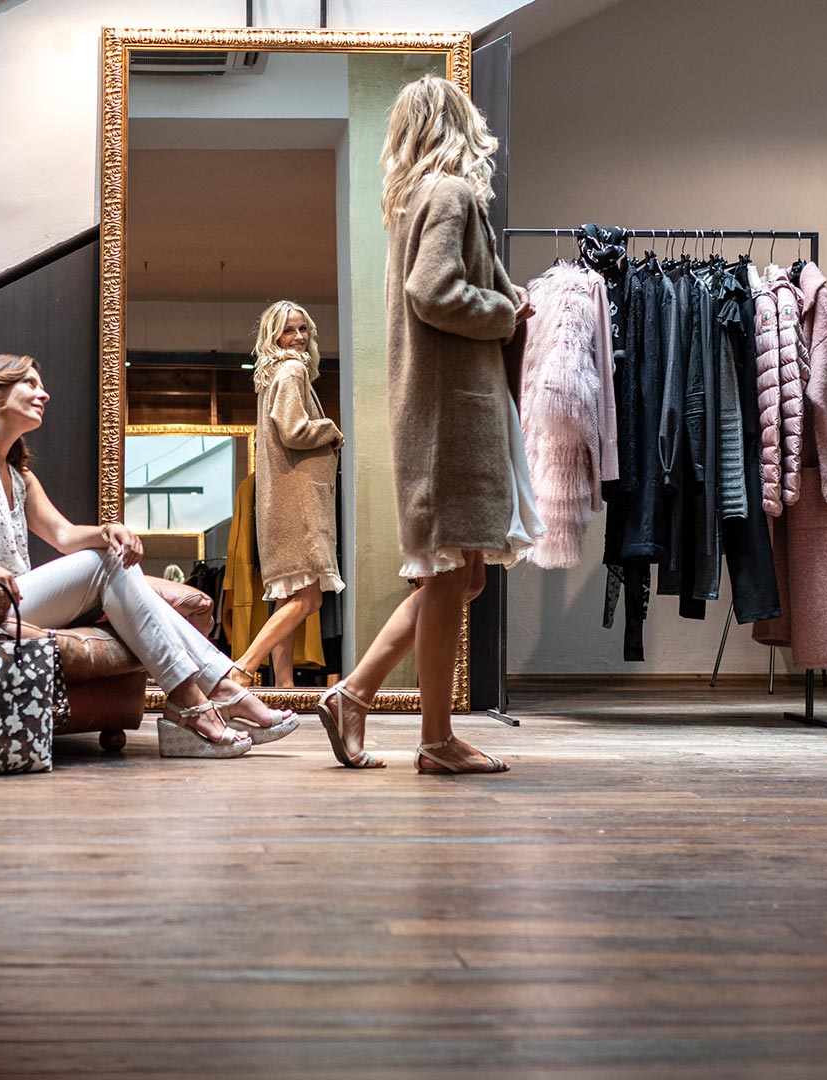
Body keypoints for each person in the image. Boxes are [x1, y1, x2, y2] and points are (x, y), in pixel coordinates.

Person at [316, 74, 540, 774]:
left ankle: (354, 696)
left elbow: (440, 285)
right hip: (452, 415)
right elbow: (433, 290)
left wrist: (505, 295)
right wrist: (505, 312)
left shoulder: (416, 200)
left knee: (460, 575)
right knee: (451, 575)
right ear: (456, 123)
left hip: (441, 408)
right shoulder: (451, 194)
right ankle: (435, 739)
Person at [0, 354, 300, 758]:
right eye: (29, 383)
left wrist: (108, 530)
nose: (44, 393)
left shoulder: (18, 473)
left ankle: (217, 692)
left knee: (110, 556)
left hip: (18, 599)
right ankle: (204, 696)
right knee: (104, 562)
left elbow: (63, 534)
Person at [229, 300, 344, 688]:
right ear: (273, 336)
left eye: (303, 329)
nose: (297, 338)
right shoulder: (292, 370)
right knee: (309, 599)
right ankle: (243, 667)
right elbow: (294, 430)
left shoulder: (272, 375)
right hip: (300, 502)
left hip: (281, 500)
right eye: (288, 330)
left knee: (287, 598)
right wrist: (329, 430)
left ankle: (283, 686)